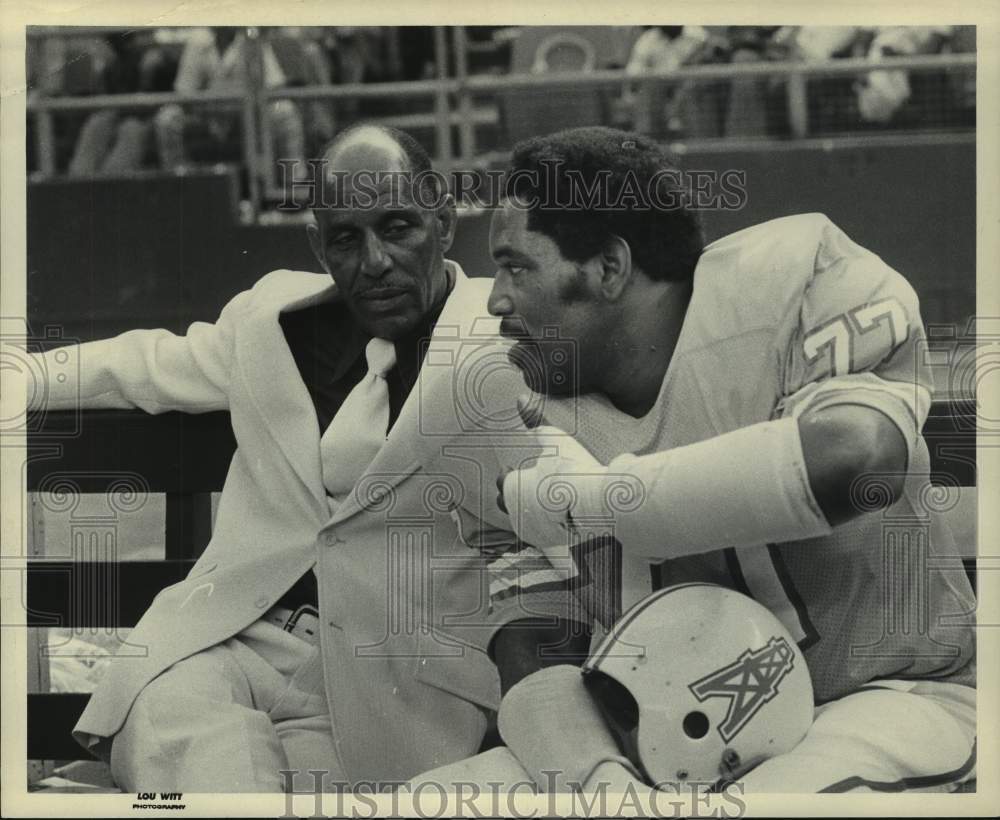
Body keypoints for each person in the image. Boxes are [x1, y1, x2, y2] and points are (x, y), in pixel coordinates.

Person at [412, 126, 977, 793]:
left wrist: (584, 500)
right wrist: (595, 777)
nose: (494, 298)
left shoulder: (799, 279)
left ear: (610, 267)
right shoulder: (506, 395)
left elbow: (857, 462)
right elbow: (537, 638)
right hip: (654, 742)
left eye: (515, 265)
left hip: (885, 698)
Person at [25, 124, 549, 793]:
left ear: (444, 223)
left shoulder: (507, 342)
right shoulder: (270, 320)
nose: (375, 260)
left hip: (381, 691)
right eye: (346, 238)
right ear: (317, 245)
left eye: (398, 228)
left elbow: (569, 521)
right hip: (227, 642)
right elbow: (140, 367)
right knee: (179, 725)